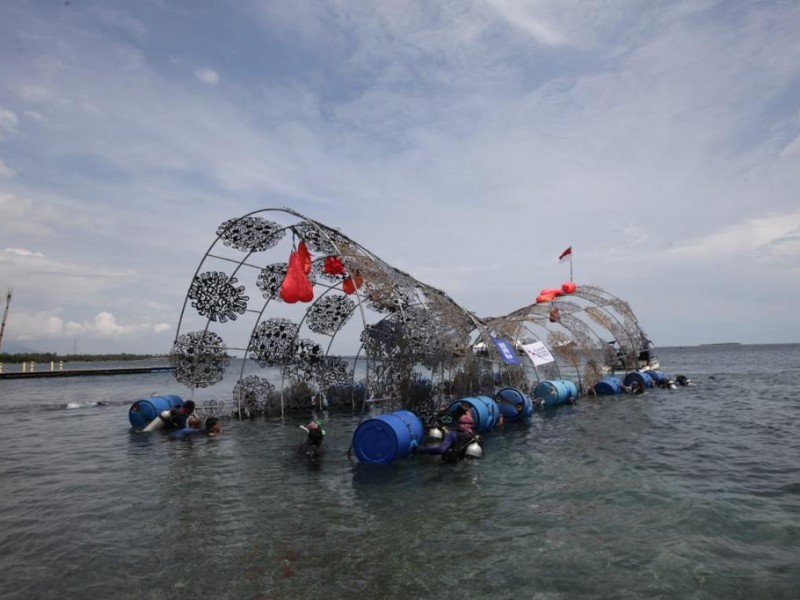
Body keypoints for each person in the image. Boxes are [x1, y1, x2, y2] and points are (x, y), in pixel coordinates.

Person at [416, 405, 481, 462]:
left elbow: (442, 450)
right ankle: (422, 450)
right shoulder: (473, 436)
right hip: (455, 436)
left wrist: (422, 450)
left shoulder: (455, 433)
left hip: (452, 459)